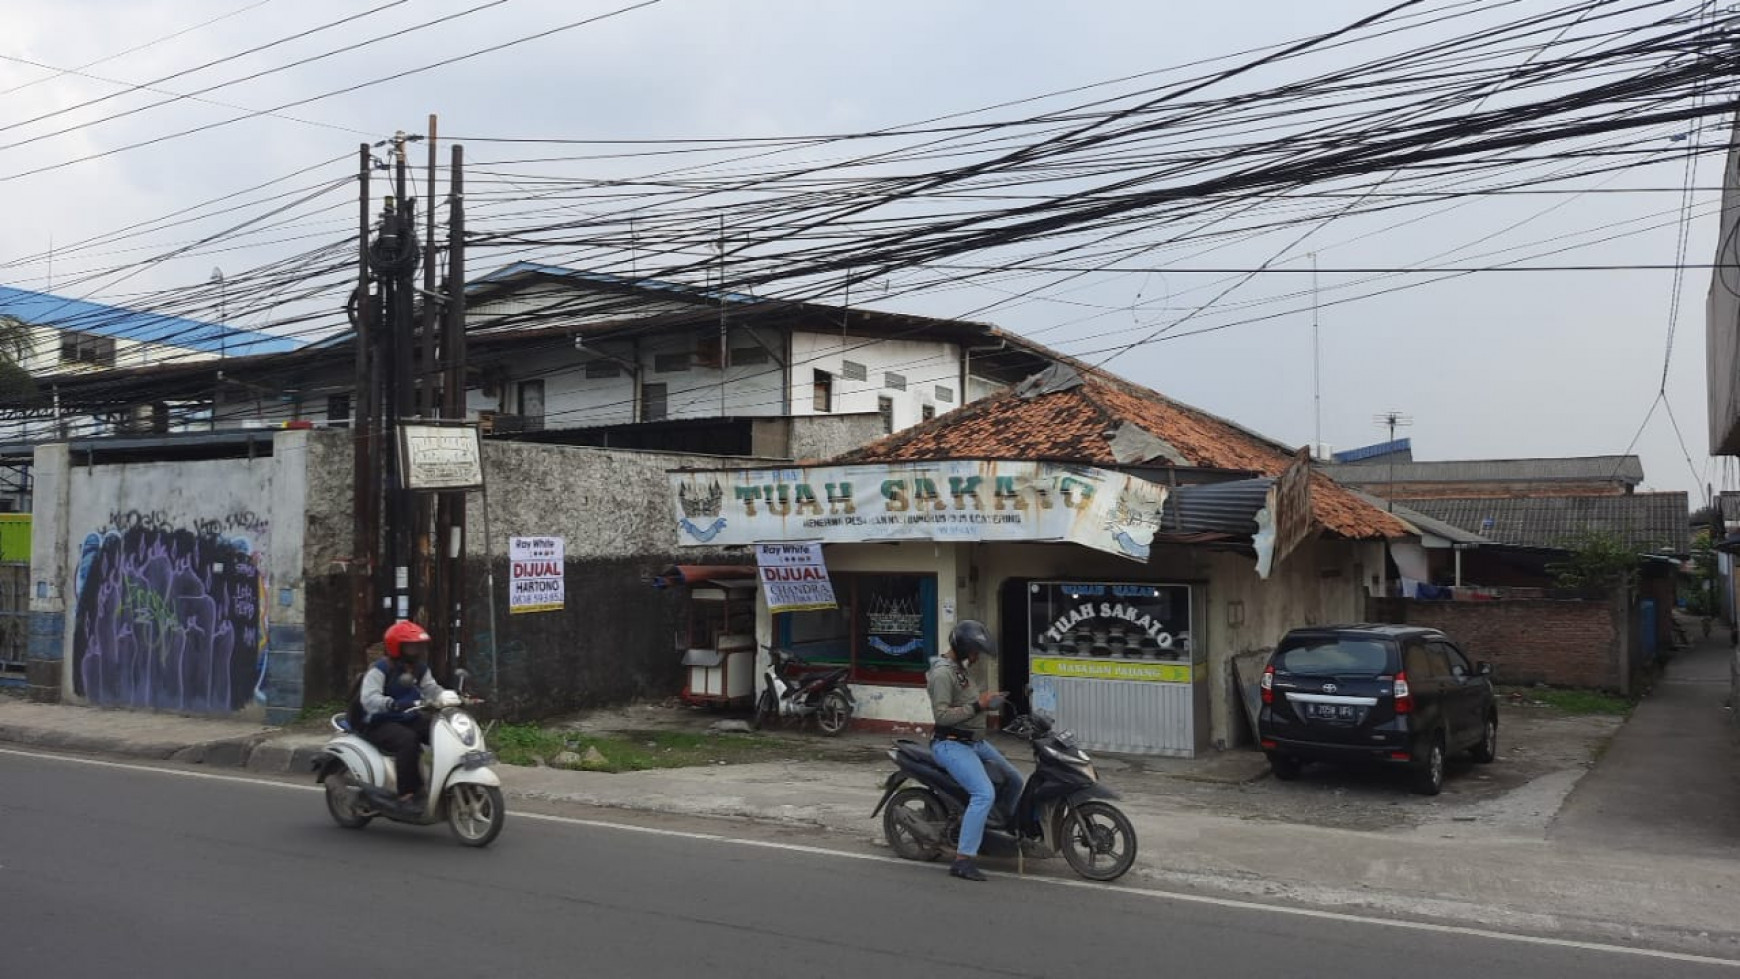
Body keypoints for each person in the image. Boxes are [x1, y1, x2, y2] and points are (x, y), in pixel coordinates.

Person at [928, 619, 1024, 882]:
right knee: (983, 793)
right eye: (974, 651)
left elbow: (971, 702)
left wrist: (990, 701)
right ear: (962, 647)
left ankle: (995, 827)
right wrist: (979, 706)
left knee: (1015, 779)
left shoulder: (960, 668)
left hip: (974, 741)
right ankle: (962, 860)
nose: (977, 657)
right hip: (951, 743)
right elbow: (942, 715)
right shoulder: (941, 674)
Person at [357, 620, 452, 809]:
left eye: (418, 646)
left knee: (443, 730)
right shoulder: (380, 669)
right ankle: (407, 793)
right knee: (408, 740)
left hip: (409, 716)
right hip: (379, 722)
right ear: (396, 647)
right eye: (411, 646)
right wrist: (391, 704)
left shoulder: (420, 668)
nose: (416, 650)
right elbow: (368, 699)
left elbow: (430, 688)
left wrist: (444, 696)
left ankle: (446, 784)